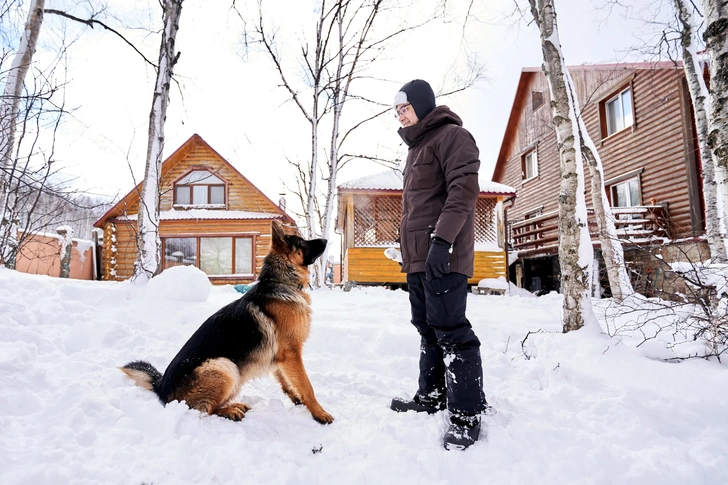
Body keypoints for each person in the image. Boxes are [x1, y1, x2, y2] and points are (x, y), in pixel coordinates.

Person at [390, 79, 487, 450]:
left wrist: (442, 242)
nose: (400, 114)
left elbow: (463, 192)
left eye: (405, 107)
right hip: (419, 258)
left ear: (423, 104)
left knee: (451, 331)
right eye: (396, 110)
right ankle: (431, 397)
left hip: (442, 254)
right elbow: (418, 207)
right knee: (426, 327)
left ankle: (466, 415)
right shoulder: (417, 148)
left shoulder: (452, 137)